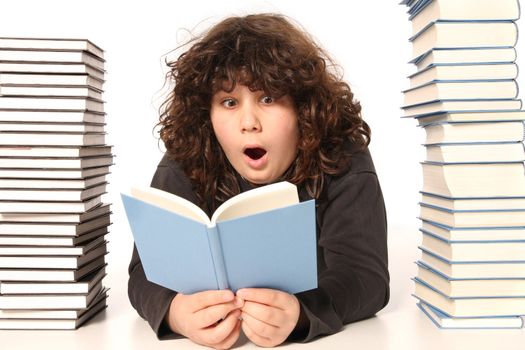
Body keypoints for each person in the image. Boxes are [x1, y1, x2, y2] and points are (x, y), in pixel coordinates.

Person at [128, 13, 389, 349]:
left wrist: (301, 314)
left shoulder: (343, 156)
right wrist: (175, 312)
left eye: (268, 98)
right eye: (229, 102)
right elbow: (143, 273)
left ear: (302, 109)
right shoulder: (187, 158)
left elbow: (367, 279)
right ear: (207, 114)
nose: (248, 122)